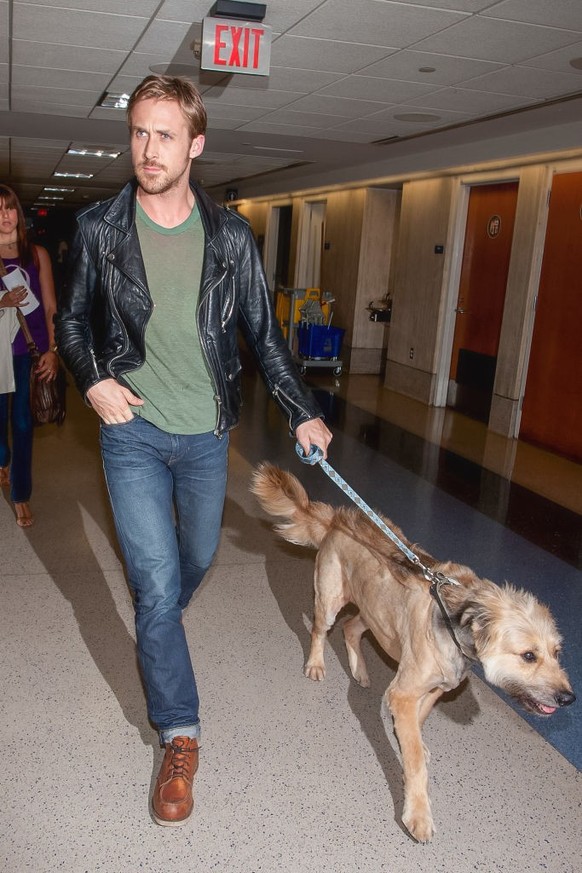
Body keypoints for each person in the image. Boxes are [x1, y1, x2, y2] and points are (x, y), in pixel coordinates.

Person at [54, 75, 332, 827]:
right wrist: (92, 382)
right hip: (132, 433)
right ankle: (180, 735)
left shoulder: (231, 237)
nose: (148, 150)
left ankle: (157, 626)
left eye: (165, 135)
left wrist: (302, 411)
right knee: (153, 582)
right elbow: (72, 322)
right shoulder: (100, 229)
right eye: (139, 133)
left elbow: (265, 339)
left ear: (196, 144)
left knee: (193, 560)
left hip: (208, 437)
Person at [0, 184, 59, 527]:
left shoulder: (36, 254)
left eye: (10, 208)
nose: (5, 216)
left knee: (23, 423)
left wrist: (52, 350)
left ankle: (21, 494)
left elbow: (51, 305)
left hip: (28, 351)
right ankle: (2, 458)